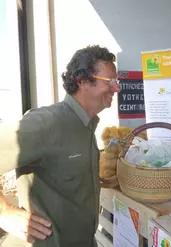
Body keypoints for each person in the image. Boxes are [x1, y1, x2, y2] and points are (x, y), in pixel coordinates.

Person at [0, 45, 120, 246]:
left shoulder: (87, 125)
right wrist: (4, 212)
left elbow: (63, 175)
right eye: (111, 82)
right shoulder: (47, 123)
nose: (117, 88)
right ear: (83, 82)